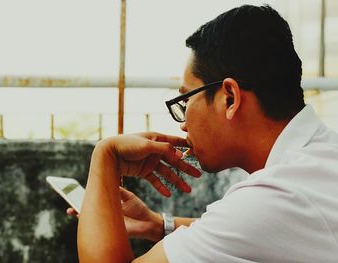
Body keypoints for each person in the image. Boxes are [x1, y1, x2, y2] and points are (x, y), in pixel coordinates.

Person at [72, 4, 338, 262]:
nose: (183, 124)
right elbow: (257, 231)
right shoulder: (319, 156)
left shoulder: (274, 195)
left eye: (186, 101)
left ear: (229, 98)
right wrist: (157, 225)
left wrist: (105, 155)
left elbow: (255, 219)